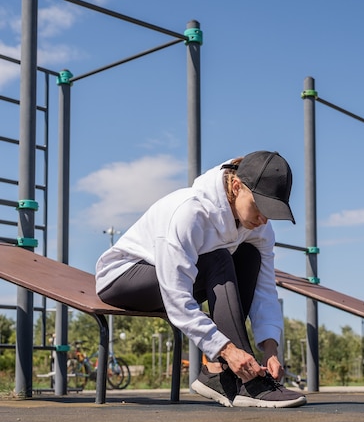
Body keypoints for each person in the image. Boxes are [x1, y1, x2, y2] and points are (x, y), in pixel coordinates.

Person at [95, 150, 306, 409]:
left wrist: (271, 350)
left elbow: (264, 289)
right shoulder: (189, 213)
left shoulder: (258, 227)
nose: (264, 218)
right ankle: (244, 381)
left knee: (250, 256)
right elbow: (177, 297)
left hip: (176, 282)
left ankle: (219, 375)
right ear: (237, 186)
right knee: (218, 258)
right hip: (123, 278)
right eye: (260, 207)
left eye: (271, 211)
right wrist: (227, 350)